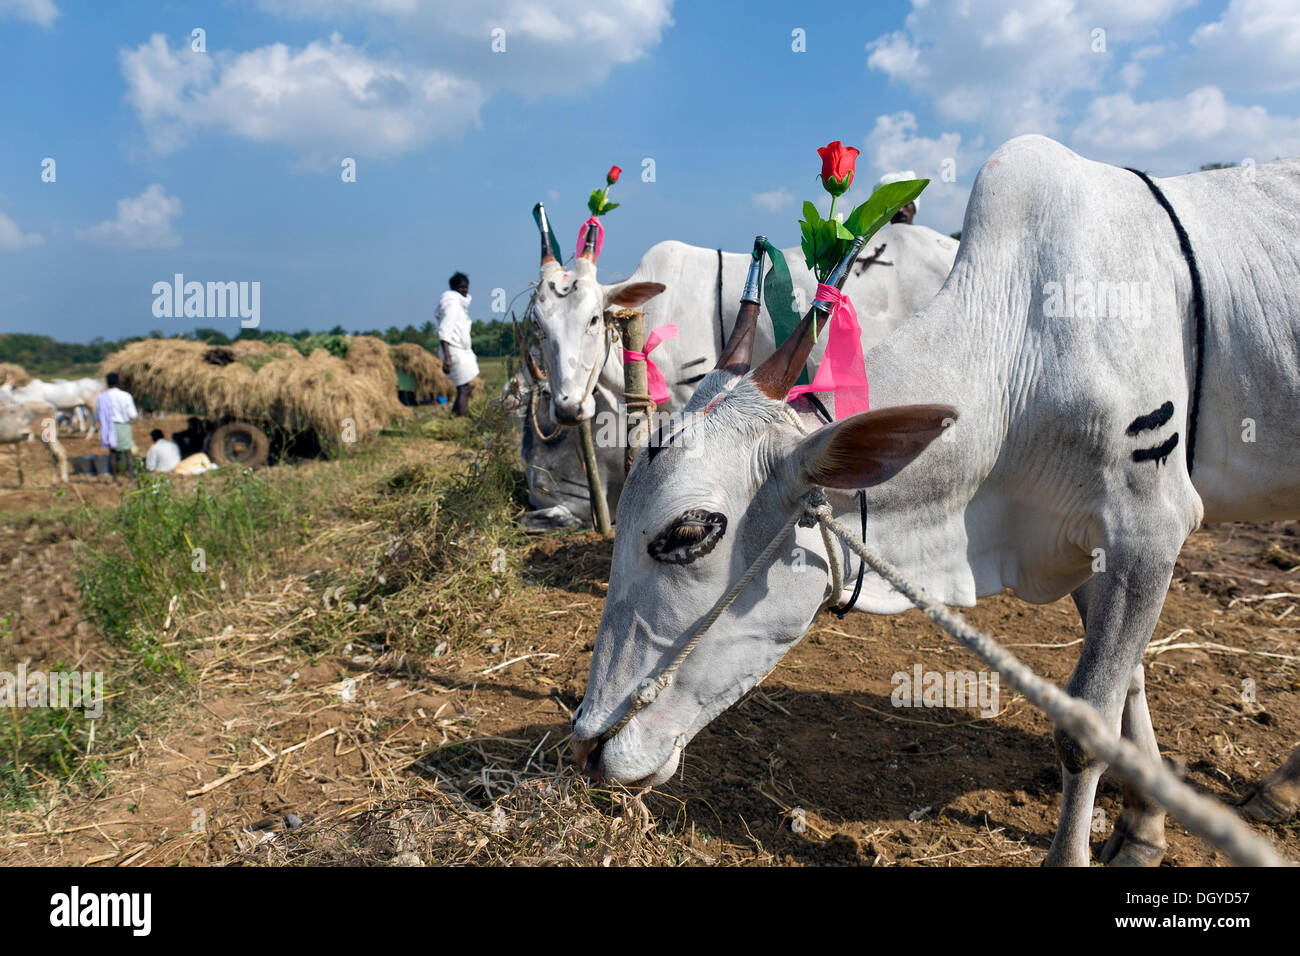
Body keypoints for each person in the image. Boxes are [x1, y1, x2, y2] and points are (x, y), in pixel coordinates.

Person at [435, 271, 479, 416]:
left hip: (460, 349)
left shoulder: (458, 304)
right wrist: (447, 357)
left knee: (465, 388)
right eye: (460, 287)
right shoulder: (452, 304)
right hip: (453, 350)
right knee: (463, 389)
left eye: (466, 287)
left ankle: (455, 418)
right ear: (453, 288)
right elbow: (444, 330)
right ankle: (461, 419)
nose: (464, 290)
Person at [95, 372, 138, 482]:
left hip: (109, 428)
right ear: (118, 382)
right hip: (123, 426)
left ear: (107, 382)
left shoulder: (102, 397)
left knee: (113, 454)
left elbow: (97, 415)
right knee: (128, 452)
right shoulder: (125, 396)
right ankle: (131, 479)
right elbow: (133, 414)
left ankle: (115, 479)